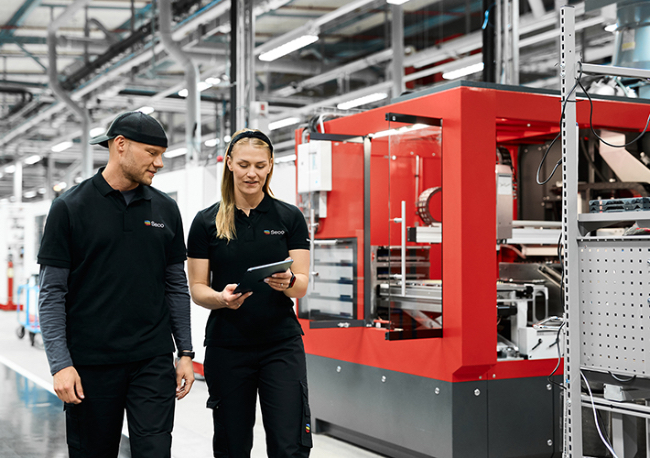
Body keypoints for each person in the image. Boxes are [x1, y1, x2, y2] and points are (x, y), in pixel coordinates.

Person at [37, 111, 195, 458]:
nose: (160, 163)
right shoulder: (69, 208)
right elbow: (51, 293)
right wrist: (60, 364)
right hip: (91, 363)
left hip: (151, 359)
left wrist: (185, 352)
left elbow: (175, 286)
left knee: (155, 450)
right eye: (152, 153)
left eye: (162, 154)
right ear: (120, 145)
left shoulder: (167, 209)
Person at [187, 128, 312, 458]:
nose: (251, 173)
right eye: (243, 164)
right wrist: (221, 299)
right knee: (232, 445)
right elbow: (197, 289)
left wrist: (287, 283)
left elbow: (301, 283)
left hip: (280, 345)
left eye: (259, 165)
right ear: (229, 163)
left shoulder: (289, 217)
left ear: (270, 165)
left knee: (290, 445)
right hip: (228, 346)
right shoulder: (206, 222)